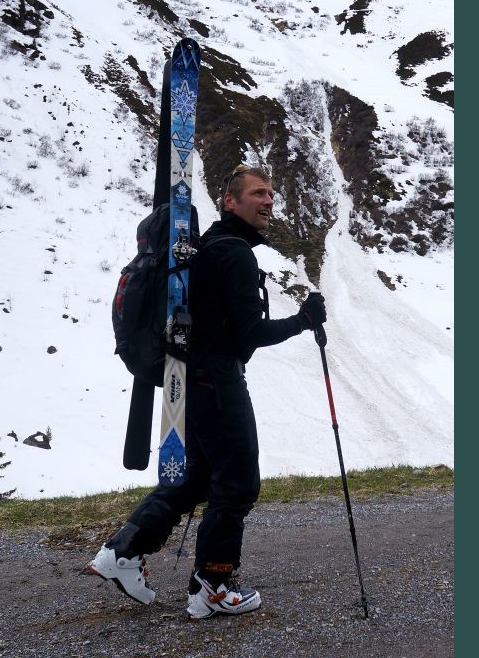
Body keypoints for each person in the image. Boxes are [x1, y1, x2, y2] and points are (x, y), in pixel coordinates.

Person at [88, 164, 328, 619]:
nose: (268, 202)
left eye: (271, 195)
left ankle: (121, 552)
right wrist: (305, 320)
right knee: (237, 484)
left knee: (195, 478)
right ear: (230, 201)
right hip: (217, 380)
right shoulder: (234, 253)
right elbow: (248, 334)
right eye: (258, 194)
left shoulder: (205, 248)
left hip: (189, 378)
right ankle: (214, 584)